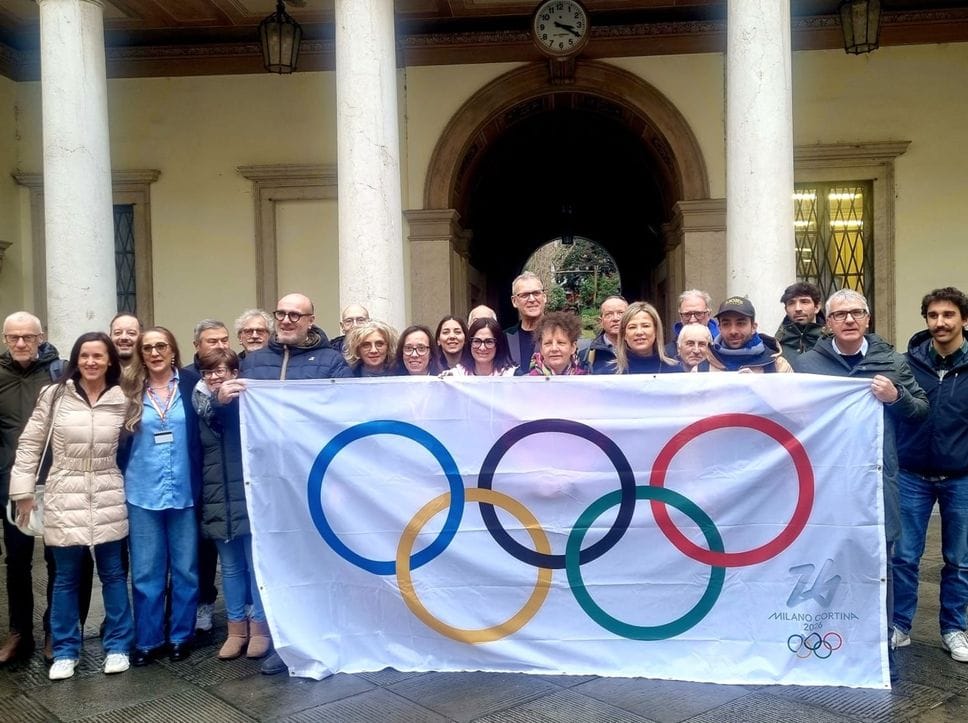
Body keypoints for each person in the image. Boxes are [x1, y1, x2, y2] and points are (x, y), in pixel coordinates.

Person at [794, 289, 929, 681]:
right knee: (823, 554)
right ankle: (822, 630)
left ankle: (877, 636)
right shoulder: (808, 364)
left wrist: (897, 395)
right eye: (840, 315)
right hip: (826, 481)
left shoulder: (891, 360)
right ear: (828, 322)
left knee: (878, 557)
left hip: (874, 480)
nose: (849, 320)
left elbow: (920, 411)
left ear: (868, 319)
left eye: (857, 313)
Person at [216, 292, 350, 675]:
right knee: (279, 564)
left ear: (311, 319)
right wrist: (221, 400)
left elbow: (346, 414)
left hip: (315, 482)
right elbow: (227, 425)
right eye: (282, 314)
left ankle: (328, 632)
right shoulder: (253, 363)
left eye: (296, 314)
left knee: (319, 560)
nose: (287, 320)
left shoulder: (331, 362)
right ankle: (284, 640)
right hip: (268, 485)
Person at [9, 332, 136, 680]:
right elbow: (30, 444)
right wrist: (22, 490)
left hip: (109, 489)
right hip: (65, 491)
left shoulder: (123, 397)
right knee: (66, 578)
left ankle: (118, 645)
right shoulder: (53, 396)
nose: (91, 362)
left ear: (110, 360)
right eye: (84, 356)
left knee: (112, 574)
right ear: (75, 360)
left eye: (98, 356)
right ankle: (65, 649)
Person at [892, 287, 968, 663]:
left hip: (961, 477)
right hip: (911, 474)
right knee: (904, 556)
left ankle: (954, 629)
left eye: (948, 315)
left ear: (963, 320)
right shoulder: (906, 363)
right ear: (926, 319)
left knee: (959, 559)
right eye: (933, 315)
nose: (940, 322)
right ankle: (900, 625)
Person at [121, 326, 202, 667]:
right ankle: (149, 639)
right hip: (142, 491)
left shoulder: (191, 384)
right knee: (145, 571)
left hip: (184, 489)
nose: (155, 353)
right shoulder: (127, 390)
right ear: (141, 354)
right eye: (148, 348)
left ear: (173, 351)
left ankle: (181, 635)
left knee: (185, 569)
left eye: (161, 347)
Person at [0, 311, 72, 665]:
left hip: (54, 482)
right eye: (13, 337)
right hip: (12, 485)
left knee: (57, 559)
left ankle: (53, 632)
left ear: (41, 337)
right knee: (16, 560)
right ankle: (19, 634)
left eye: (28, 337)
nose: (21, 343)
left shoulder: (59, 373)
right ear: (4, 339)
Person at [192, 348, 270, 661]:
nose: (214, 378)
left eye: (220, 371)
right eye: (208, 372)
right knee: (232, 570)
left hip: (247, 497)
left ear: (234, 373)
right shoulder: (198, 406)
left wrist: (223, 402)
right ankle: (236, 630)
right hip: (216, 498)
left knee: (254, 567)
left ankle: (260, 628)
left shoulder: (247, 403)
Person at [185, 319, 230, 634]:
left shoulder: (235, 372)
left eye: (224, 339)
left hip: (231, 475)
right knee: (200, 549)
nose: (219, 345)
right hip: (198, 475)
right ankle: (202, 605)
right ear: (197, 346)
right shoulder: (186, 379)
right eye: (212, 340)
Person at [709, 296, 793, 373]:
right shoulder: (704, 365)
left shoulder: (778, 366)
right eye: (726, 324)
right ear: (719, 328)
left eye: (740, 323)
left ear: (753, 327)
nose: (733, 331)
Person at [613, 302, 680, 374]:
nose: (639, 332)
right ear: (624, 334)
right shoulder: (608, 372)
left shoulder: (675, 371)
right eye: (632, 327)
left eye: (645, 326)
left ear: (656, 331)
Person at [443, 318, 517, 377]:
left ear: (499, 345)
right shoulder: (455, 376)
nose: (482, 348)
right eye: (477, 341)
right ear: (469, 344)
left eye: (489, 342)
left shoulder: (513, 375)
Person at [505, 271, 546, 372]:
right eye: (525, 295)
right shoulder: (503, 338)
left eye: (536, 293)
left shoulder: (561, 335)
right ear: (514, 301)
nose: (532, 299)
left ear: (544, 297)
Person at [775, 282, 825, 362]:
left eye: (804, 302)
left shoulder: (833, 342)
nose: (798, 308)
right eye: (791, 303)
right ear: (786, 310)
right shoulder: (775, 346)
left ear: (817, 307)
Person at [579, 295, 628, 374]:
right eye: (609, 314)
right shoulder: (586, 355)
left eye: (621, 313)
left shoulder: (641, 351)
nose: (615, 318)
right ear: (600, 321)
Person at [664, 289, 719, 357]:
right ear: (680, 317)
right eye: (687, 314)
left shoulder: (723, 346)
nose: (692, 320)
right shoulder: (667, 354)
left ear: (708, 315)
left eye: (698, 314)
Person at [528, 312, 587, 376]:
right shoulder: (527, 382)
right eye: (548, 343)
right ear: (541, 349)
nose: (554, 349)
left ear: (573, 347)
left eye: (561, 343)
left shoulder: (585, 380)